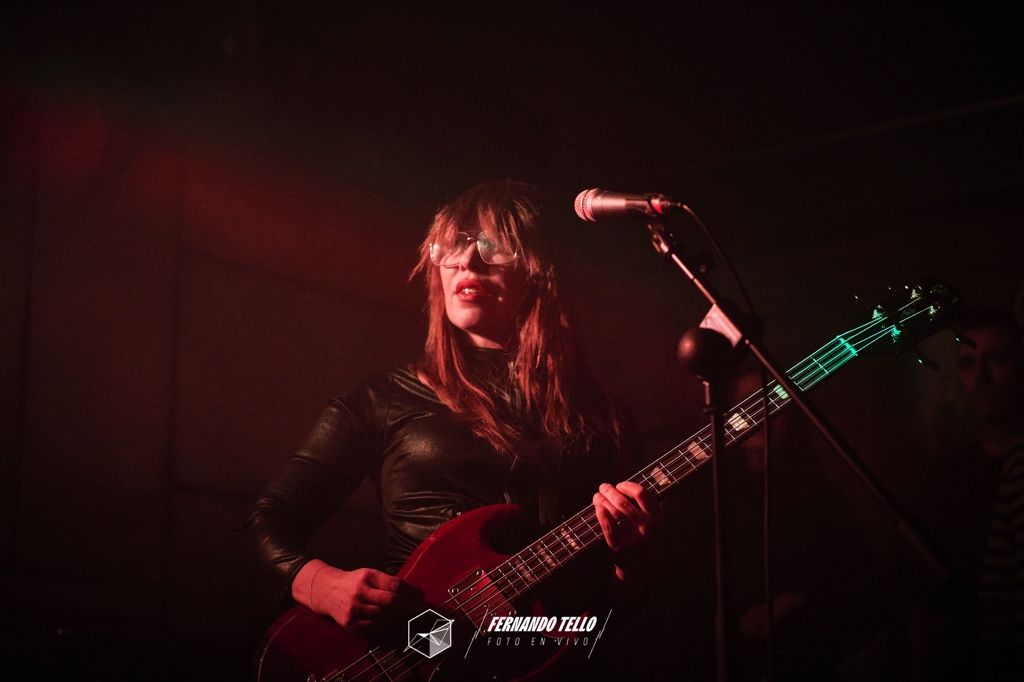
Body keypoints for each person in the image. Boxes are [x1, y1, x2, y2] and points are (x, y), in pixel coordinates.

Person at [242, 180, 659, 643]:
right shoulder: (384, 398)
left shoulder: (599, 421)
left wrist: (631, 562)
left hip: (534, 652)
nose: (467, 260)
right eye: (451, 245)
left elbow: (600, 625)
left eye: (492, 245)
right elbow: (265, 525)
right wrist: (323, 586)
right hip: (407, 652)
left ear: (539, 272)